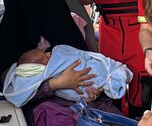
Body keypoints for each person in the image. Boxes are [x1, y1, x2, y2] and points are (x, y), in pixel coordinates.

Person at [0, 0, 119, 126]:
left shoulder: (72, 23)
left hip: (89, 102)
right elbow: (12, 90)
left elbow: (92, 60)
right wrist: (55, 84)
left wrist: (97, 88)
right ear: (27, 4)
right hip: (44, 106)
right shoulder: (13, 38)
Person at [4, 45, 133, 107]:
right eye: (45, 56)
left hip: (94, 100)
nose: (49, 54)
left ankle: (111, 79)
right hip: (67, 108)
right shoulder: (30, 78)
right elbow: (23, 95)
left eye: (47, 53)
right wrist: (56, 84)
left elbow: (80, 56)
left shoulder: (58, 51)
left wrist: (98, 89)